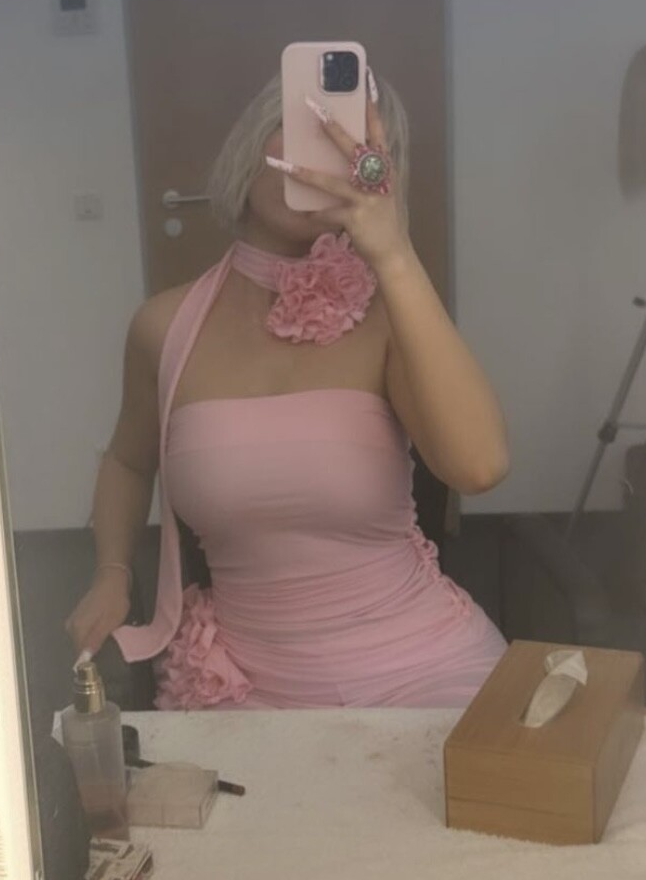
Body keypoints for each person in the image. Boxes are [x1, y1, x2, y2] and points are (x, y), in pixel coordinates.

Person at [64, 66, 510, 708]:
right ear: (252, 144)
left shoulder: (390, 318)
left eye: (347, 148)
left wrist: (395, 254)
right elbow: (128, 461)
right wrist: (111, 572)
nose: (317, 164)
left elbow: (480, 466)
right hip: (245, 685)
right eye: (305, 133)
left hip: (425, 666)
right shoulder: (164, 327)